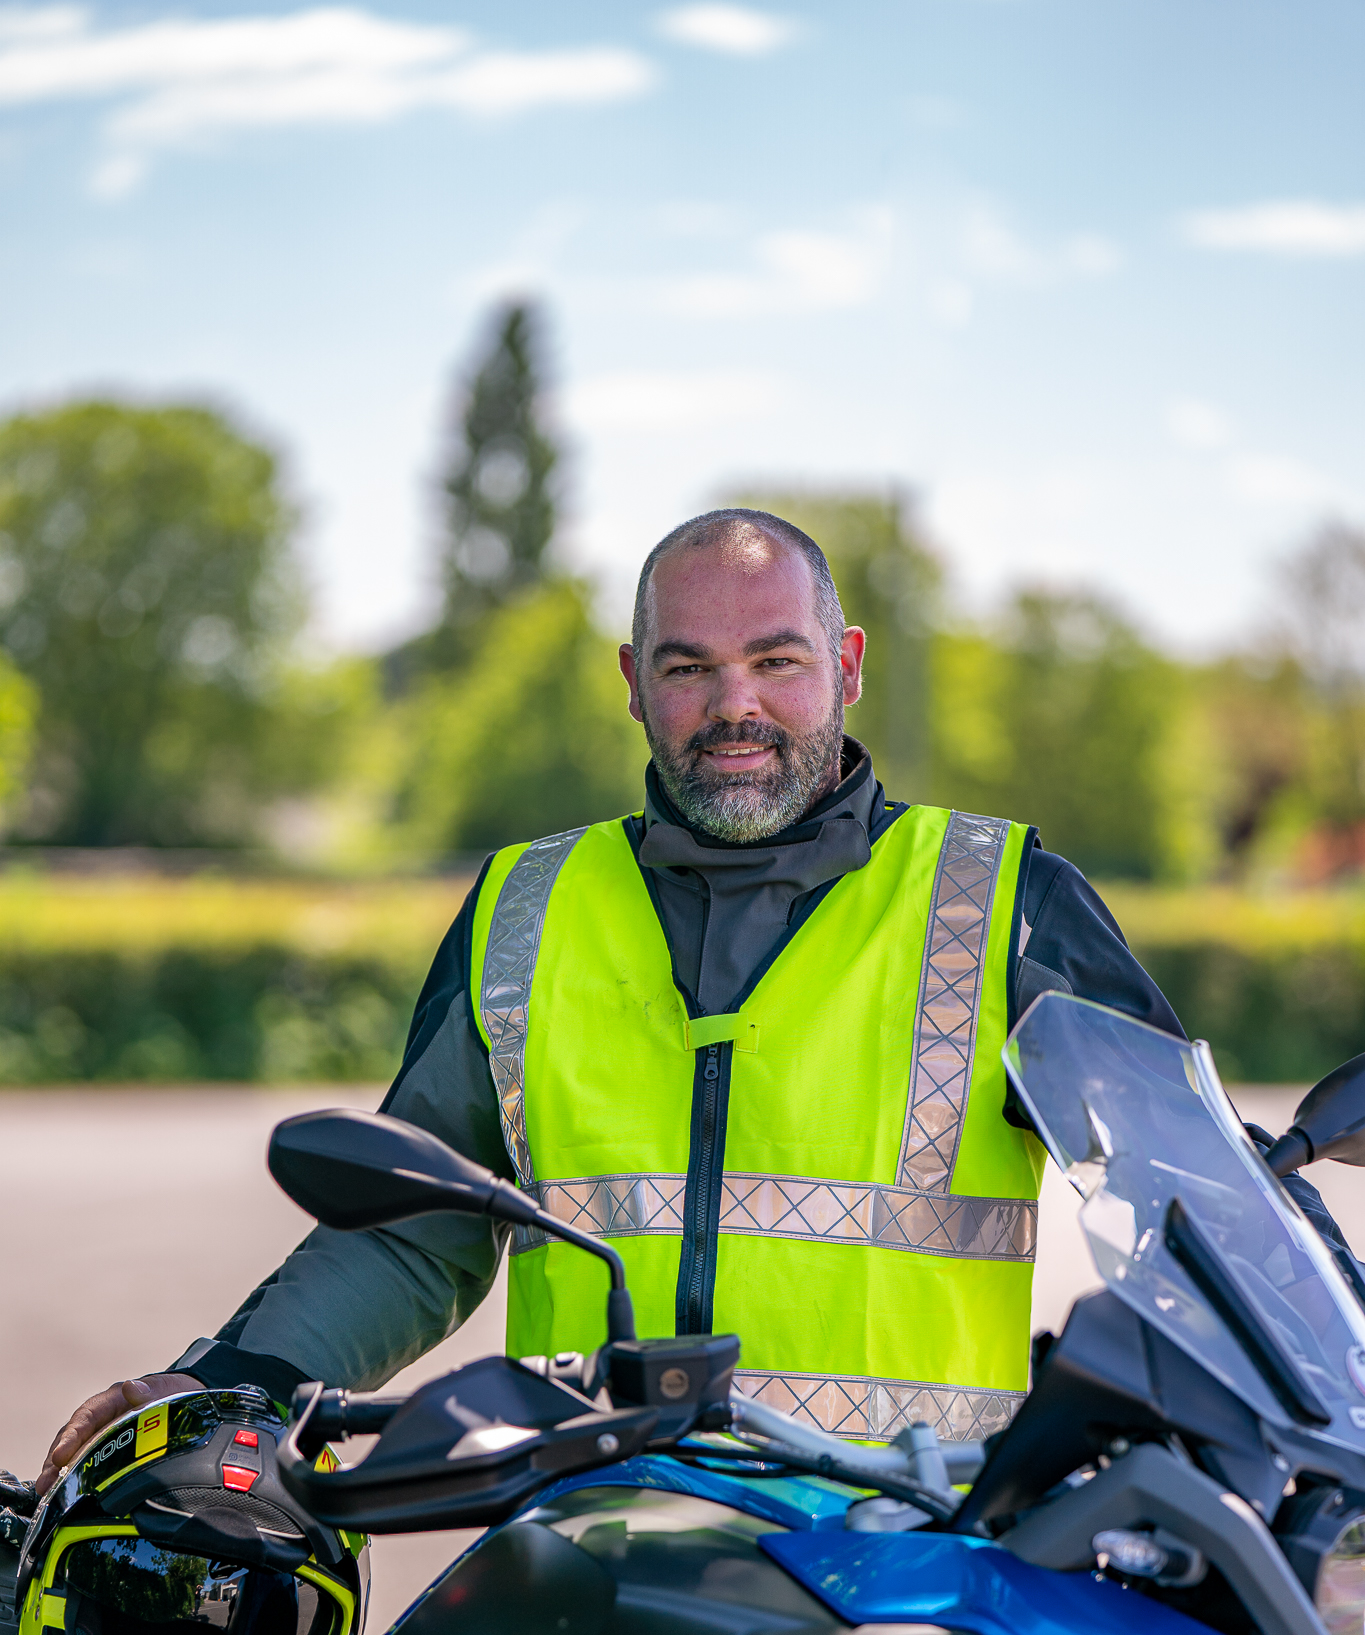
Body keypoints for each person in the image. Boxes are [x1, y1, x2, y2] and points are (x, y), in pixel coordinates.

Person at [37, 507, 1190, 1495]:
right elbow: (410, 1231)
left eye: (776, 661)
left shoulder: (1002, 901)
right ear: (635, 684)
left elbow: (1188, 1198)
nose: (735, 705)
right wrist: (221, 1388)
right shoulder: (523, 909)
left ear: (845, 664)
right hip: (588, 1563)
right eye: (689, 666)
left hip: (913, 1573)